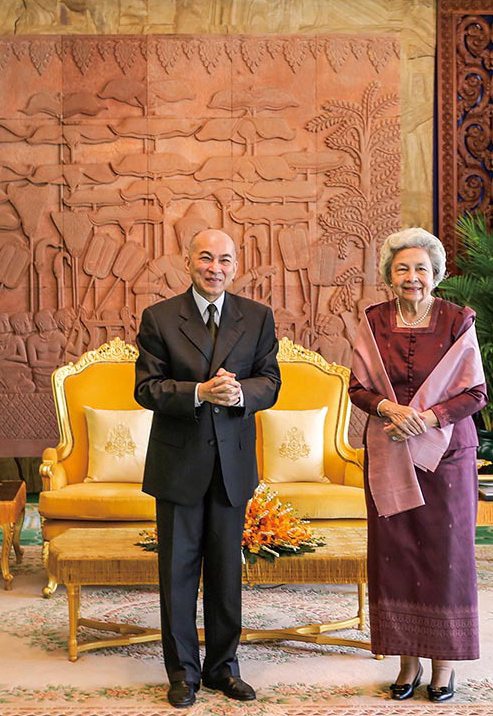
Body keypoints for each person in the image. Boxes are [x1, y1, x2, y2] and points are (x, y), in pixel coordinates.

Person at [134, 229, 281, 709]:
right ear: (187, 262)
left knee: (225, 574)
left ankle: (223, 669)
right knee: (177, 575)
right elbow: (146, 388)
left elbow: (270, 381)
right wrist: (199, 392)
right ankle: (182, 673)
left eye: (224, 260)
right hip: (179, 465)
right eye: (205, 258)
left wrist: (240, 394)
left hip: (231, 465)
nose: (215, 268)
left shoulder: (257, 317)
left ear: (235, 266)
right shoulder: (159, 317)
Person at [349, 227, 487, 702]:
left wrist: (427, 418)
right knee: (397, 554)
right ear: (389, 275)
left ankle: (444, 666)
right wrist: (389, 409)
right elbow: (358, 387)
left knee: (446, 555)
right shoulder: (374, 320)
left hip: (446, 457)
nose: (412, 277)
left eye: (421, 269)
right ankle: (407, 662)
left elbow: (476, 392)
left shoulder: (458, 320)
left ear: (436, 274)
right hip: (389, 449)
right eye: (402, 268)